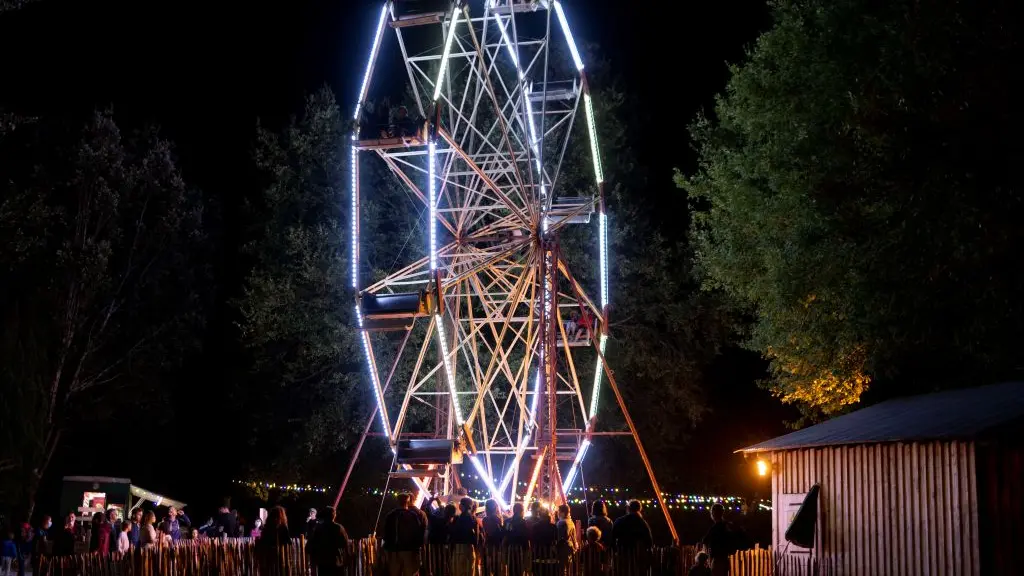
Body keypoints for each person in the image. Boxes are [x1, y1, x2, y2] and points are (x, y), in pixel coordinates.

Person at [380, 493, 427, 576]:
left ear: (397, 501)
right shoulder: (413, 516)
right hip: (409, 551)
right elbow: (418, 534)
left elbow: (385, 533)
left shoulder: (390, 515)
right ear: (408, 501)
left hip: (393, 551)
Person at [307, 506, 350, 576]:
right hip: (336, 562)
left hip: (323, 563)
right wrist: (347, 558)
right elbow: (345, 544)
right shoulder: (338, 528)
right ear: (334, 515)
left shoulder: (318, 528)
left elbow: (311, 545)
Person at [449, 498, 480, 576]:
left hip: (460, 548)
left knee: (459, 571)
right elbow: (476, 535)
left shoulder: (460, 518)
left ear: (463, 506)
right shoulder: (473, 518)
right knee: (469, 571)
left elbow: (454, 533)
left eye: (460, 504)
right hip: (470, 547)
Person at [701, 504, 734, 576]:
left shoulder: (716, 527)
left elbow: (705, 540)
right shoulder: (727, 526)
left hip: (718, 560)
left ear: (713, 513)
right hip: (724, 559)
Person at [256, 506, 291, 572]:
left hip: (268, 556)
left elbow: (263, 541)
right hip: (280, 555)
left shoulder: (267, 527)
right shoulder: (283, 527)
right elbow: (287, 541)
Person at [555, 505, 577, 576]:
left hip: (563, 549)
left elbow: (558, 537)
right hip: (570, 548)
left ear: (563, 513)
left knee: (562, 569)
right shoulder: (571, 522)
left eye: (559, 511)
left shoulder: (561, 523)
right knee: (568, 569)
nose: (557, 513)